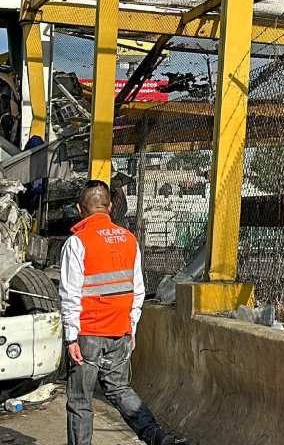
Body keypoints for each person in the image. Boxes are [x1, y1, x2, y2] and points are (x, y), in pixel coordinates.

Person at [59, 180, 187, 445]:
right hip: (120, 330)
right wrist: (131, 327)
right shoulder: (129, 240)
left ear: (79, 209)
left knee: (81, 401)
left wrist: (71, 337)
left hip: (88, 334)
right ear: (110, 206)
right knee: (118, 388)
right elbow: (137, 290)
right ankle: (157, 437)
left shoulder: (77, 242)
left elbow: (70, 293)